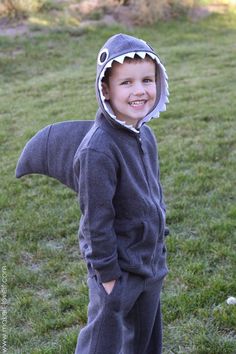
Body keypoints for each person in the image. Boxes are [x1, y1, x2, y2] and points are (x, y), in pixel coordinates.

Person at [73, 33, 169, 354]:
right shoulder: (98, 150)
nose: (140, 90)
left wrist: (159, 240)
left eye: (147, 79)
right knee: (102, 343)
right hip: (118, 272)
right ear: (106, 89)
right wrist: (108, 276)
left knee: (143, 341)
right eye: (126, 83)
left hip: (150, 261)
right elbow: (96, 221)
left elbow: (152, 191)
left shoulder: (146, 134)